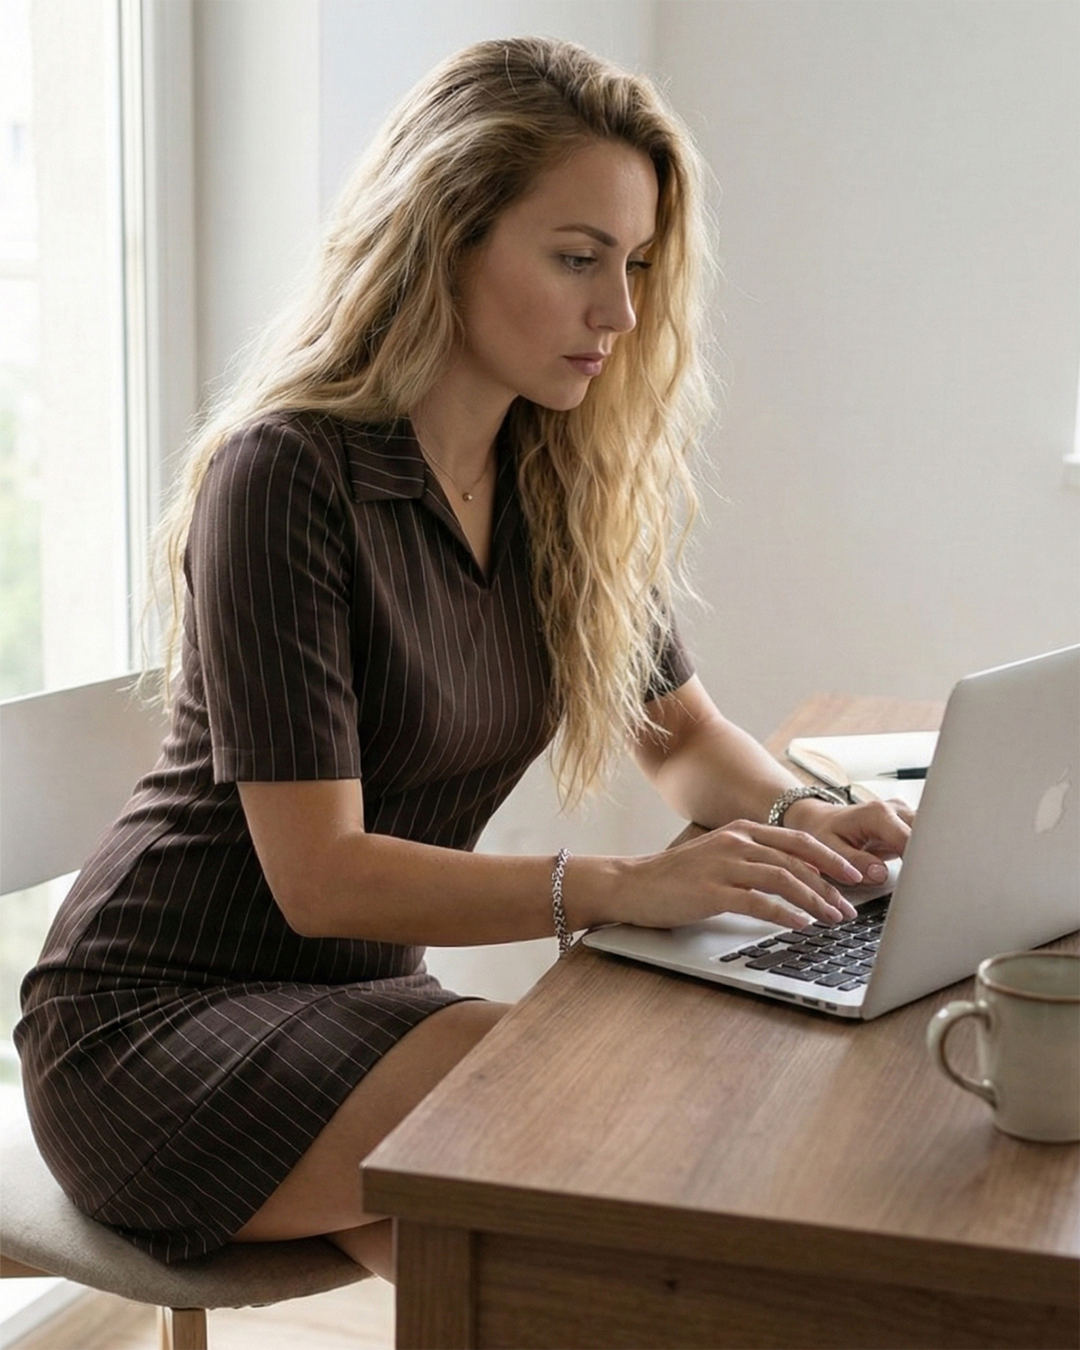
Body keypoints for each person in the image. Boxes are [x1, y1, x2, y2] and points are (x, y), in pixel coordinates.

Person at [16, 36, 911, 1283]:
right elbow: (320, 880)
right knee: (572, 1102)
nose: (621, 313)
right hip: (150, 1032)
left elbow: (685, 740)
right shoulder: (287, 475)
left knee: (536, 1282)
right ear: (446, 238)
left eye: (637, 264)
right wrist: (623, 886)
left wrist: (810, 825)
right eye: (578, 258)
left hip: (359, 1013)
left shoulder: (558, 482)